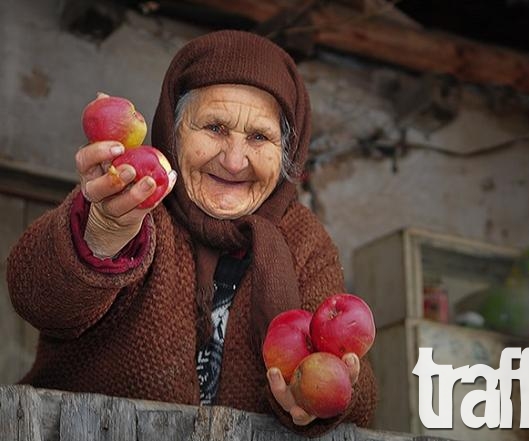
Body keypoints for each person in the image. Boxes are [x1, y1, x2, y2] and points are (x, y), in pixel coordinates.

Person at [7, 30, 377, 436]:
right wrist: (103, 233)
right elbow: (37, 297)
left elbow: (361, 393)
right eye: (215, 127)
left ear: (287, 151)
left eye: (259, 137)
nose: (235, 161)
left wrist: (324, 396)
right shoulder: (133, 199)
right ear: (174, 130)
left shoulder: (305, 240)